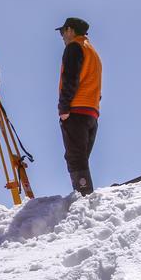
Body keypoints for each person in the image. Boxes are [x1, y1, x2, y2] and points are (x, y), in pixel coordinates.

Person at [55, 17, 102, 196]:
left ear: (70, 30)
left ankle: (84, 197)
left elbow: (70, 78)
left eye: (62, 32)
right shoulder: (93, 52)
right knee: (81, 158)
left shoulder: (74, 47)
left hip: (76, 110)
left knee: (75, 158)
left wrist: (64, 108)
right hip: (92, 113)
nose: (62, 37)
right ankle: (85, 197)